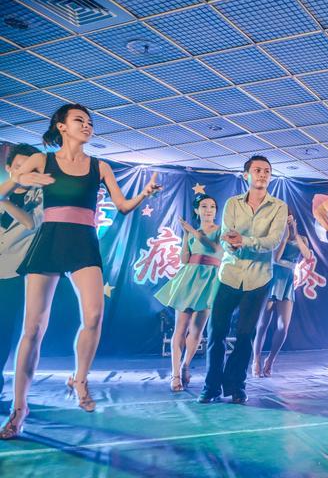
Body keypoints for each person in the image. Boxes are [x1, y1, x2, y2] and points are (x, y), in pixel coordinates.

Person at [0, 104, 160, 439]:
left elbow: (122, 206)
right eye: (79, 121)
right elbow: (5, 190)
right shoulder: (42, 159)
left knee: (94, 315)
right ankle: (19, 408)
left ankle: (80, 379)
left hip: (83, 243)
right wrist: (19, 178)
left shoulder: (100, 166)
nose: (87, 126)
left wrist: (144, 194)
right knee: (33, 328)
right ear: (61, 126)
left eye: (89, 122)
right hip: (50, 240)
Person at [198, 155, 287, 405]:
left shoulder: (279, 207)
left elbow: (272, 241)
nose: (262, 174)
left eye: (267, 171)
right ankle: (211, 387)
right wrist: (233, 244)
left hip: (259, 279)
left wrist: (244, 240)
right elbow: (226, 235)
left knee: (245, 334)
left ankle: (237, 385)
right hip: (229, 275)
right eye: (257, 170)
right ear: (246, 175)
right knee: (215, 332)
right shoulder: (232, 203)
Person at [155, 194, 222, 391]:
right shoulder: (191, 232)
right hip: (189, 279)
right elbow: (184, 259)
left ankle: (185, 365)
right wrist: (186, 235)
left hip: (210, 281)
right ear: (197, 210)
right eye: (204, 206)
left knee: (197, 330)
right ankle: (175, 375)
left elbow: (216, 250)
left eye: (212, 206)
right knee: (180, 328)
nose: (208, 210)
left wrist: (192, 231)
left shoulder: (221, 230)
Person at [0, 144, 43, 398]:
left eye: (30, 169)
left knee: (3, 331)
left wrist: (5, 202)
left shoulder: (39, 197)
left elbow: (31, 223)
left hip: (11, 276)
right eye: (19, 168)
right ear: (9, 168)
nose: (25, 173)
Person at [252, 210, 311, 378]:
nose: (287, 222)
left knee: (283, 327)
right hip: (272, 279)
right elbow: (276, 258)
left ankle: (270, 360)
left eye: (290, 219)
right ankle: (256, 359)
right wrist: (284, 238)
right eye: (284, 220)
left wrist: (295, 233)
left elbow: (307, 255)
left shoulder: (302, 239)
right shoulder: (275, 238)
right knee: (262, 324)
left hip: (287, 282)